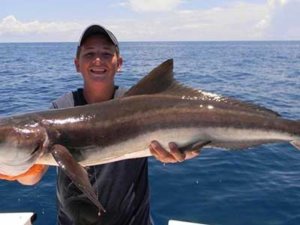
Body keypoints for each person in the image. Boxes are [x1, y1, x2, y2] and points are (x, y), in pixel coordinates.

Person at [1, 24, 201, 225]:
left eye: (106, 53)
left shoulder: (141, 103)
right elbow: (32, 178)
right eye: (89, 54)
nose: (98, 60)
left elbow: (178, 148)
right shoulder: (61, 107)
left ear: (119, 63)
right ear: (77, 63)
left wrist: (180, 153)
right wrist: (13, 169)